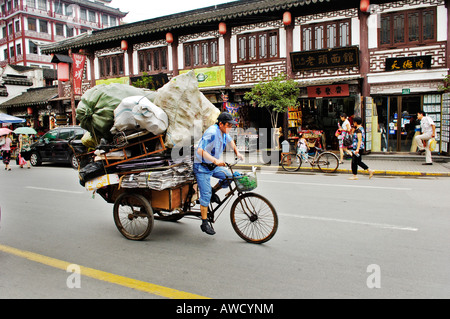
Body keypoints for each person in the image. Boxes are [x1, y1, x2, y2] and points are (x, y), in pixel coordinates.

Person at [194, 112, 244, 235]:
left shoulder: (224, 133)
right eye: (228, 125)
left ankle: (213, 192)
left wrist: (237, 153)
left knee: (230, 177)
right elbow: (200, 150)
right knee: (205, 195)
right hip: (202, 166)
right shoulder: (211, 132)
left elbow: (231, 141)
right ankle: (204, 223)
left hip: (213, 166)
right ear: (221, 124)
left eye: (231, 126)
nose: (230, 128)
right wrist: (215, 160)